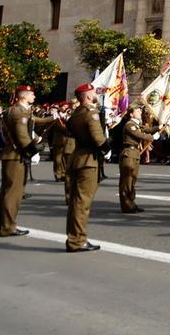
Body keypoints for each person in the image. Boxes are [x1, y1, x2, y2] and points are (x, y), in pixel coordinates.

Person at [65, 83, 109, 252]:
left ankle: (74, 237)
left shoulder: (76, 114)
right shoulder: (91, 114)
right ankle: (77, 240)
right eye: (93, 92)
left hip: (78, 157)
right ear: (88, 96)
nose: (96, 94)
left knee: (76, 201)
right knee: (82, 202)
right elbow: (99, 139)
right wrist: (107, 149)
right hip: (88, 160)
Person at [0, 84, 42, 237]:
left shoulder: (17, 110)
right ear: (24, 96)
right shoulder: (19, 111)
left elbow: (29, 126)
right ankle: (8, 227)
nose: (34, 97)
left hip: (12, 154)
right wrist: (32, 151)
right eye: (32, 94)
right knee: (13, 193)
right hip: (16, 155)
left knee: (9, 191)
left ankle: (5, 224)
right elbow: (22, 135)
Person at [118, 103, 160, 214]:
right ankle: (126, 205)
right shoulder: (129, 125)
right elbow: (140, 135)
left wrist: (160, 126)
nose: (140, 113)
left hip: (135, 153)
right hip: (129, 153)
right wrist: (152, 137)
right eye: (137, 111)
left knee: (132, 179)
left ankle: (131, 203)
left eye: (140, 111)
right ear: (131, 114)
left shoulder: (137, 124)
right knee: (127, 180)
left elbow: (147, 130)